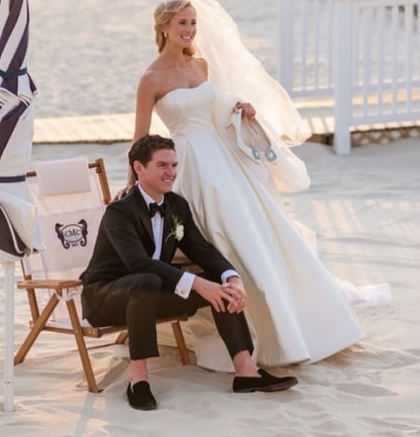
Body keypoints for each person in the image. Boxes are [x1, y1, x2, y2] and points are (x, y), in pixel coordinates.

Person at [115, 0, 390, 370]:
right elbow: (140, 138)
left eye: (193, 23)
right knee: (219, 237)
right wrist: (132, 182)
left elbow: (216, 112)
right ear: (164, 27)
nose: (190, 30)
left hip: (222, 158)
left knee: (253, 231)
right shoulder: (150, 79)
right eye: (182, 23)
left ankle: (288, 325)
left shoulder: (202, 67)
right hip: (187, 166)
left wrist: (239, 111)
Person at [80, 135, 298, 410]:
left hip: (151, 293)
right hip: (105, 298)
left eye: (174, 165)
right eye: (162, 165)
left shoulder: (177, 206)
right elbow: (138, 263)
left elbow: (201, 249)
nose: (171, 172)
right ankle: (138, 381)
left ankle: (246, 373)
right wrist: (197, 284)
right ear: (139, 168)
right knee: (148, 280)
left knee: (221, 288)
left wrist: (231, 278)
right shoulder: (119, 211)